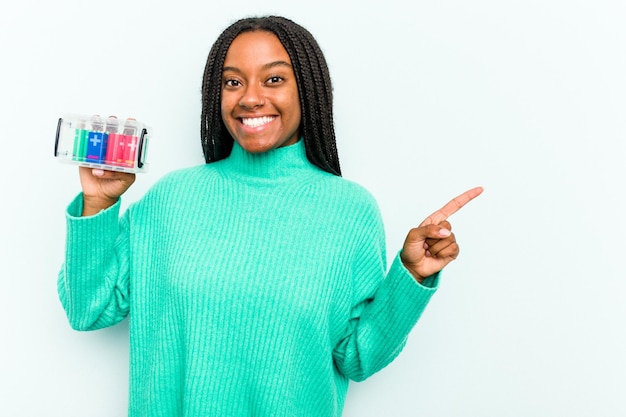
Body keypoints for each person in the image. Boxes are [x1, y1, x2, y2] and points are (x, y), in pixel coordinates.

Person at [58, 15, 483, 417]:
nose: (251, 97)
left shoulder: (350, 211)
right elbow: (88, 310)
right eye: (232, 82)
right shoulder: (171, 198)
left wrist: (410, 277)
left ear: (308, 90)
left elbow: (357, 357)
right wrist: (98, 202)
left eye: (274, 79)